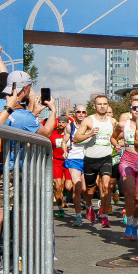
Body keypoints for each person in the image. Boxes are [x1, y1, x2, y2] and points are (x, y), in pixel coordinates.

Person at [73, 94, 115, 227]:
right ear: (94, 106)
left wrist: (118, 144)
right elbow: (76, 139)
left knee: (106, 185)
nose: (102, 106)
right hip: (90, 159)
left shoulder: (112, 121)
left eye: (105, 104)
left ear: (108, 105)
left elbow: (116, 136)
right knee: (89, 191)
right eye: (99, 104)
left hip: (106, 158)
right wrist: (90, 134)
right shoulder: (88, 121)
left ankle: (104, 215)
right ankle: (89, 206)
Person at [111, 95, 138, 241]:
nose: (137, 110)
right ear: (130, 110)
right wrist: (116, 145)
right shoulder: (123, 125)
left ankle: (134, 223)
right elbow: (113, 137)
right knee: (130, 192)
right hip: (127, 160)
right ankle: (129, 221)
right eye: (134, 108)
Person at [65, 105, 88, 225]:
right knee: (77, 186)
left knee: (85, 189)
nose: (80, 113)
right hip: (74, 158)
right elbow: (64, 141)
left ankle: (88, 207)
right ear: (75, 113)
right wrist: (64, 151)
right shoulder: (70, 126)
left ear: (86, 113)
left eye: (83, 112)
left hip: (87, 158)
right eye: (78, 111)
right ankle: (78, 216)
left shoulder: (90, 126)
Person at [50, 116, 70, 216]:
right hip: (56, 161)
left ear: (67, 124)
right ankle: (60, 208)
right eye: (59, 122)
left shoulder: (70, 135)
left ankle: (64, 198)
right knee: (57, 186)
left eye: (63, 122)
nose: (61, 124)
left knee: (68, 186)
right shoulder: (52, 134)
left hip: (69, 162)